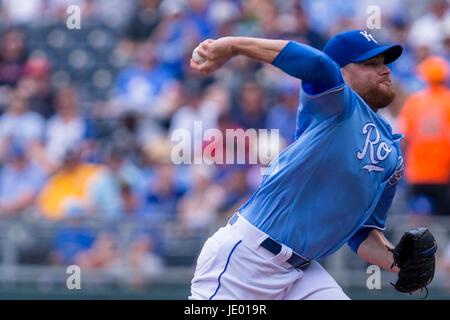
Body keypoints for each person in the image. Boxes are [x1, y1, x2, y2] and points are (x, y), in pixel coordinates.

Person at [188, 30, 413, 300]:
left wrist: (398, 261)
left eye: (385, 63)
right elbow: (318, 65)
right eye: (371, 64)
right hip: (246, 261)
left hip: (301, 273)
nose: (385, 70)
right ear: (342, 73)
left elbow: (362, 233)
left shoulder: (391, 151)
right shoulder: (335, 105)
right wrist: (233, 46)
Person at [398, 56, 450, 216]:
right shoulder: (448, 100)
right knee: (444, 220)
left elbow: (404, 139)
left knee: (413, 221)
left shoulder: (414, 101)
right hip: (443, 173)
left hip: (417, 172)